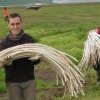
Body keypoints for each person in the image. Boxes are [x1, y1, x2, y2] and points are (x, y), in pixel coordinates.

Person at [0, 13, 41, 100]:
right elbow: (2, 63)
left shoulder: (29, 40)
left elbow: (37, 60)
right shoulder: (4, 44)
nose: (15, 27)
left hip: (28, 80)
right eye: (12, 24)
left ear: (21, 23)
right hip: (12, 82)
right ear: (8, 25)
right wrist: (7, 63)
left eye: (17, 24)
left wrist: (36, 59)